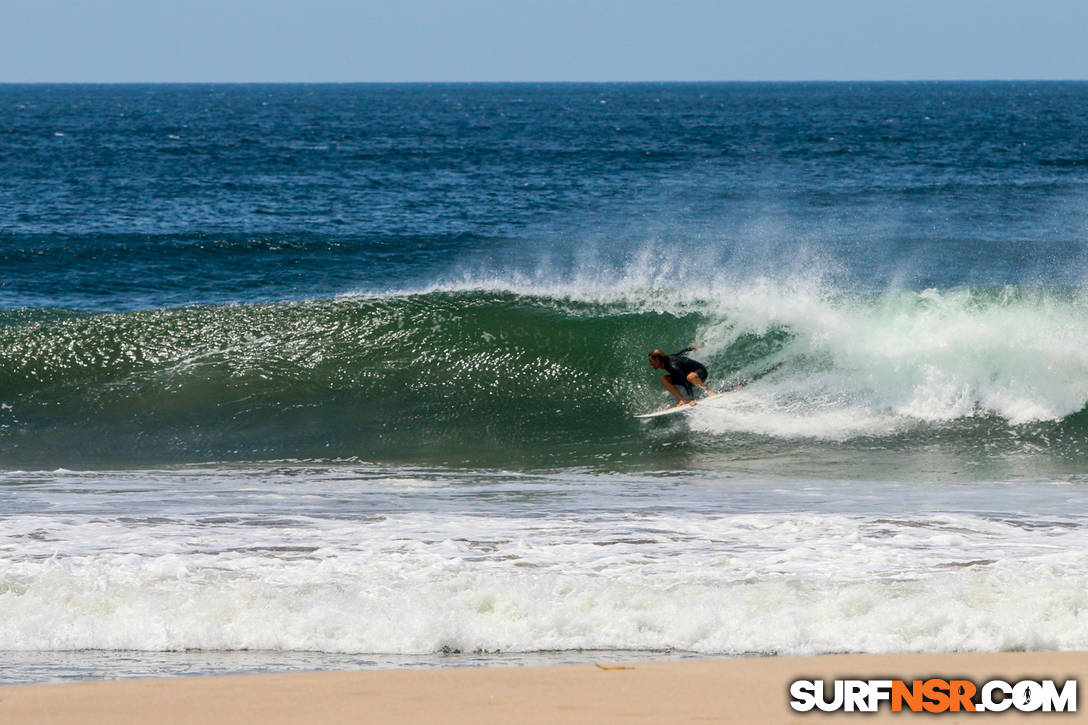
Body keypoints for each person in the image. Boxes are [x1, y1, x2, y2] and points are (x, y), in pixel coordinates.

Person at [647, 344, 714, 407]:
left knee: (690, 377)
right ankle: (684, 400)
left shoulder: (673, 366)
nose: (650, 364)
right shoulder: (667, 359)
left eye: (651, 361)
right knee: (664, 379)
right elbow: (680, 353)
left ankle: (709, 391)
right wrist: (691, 348)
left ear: (657, 360)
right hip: (687, 376)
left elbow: (685, 383)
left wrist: (692, 399)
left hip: (700, 372)